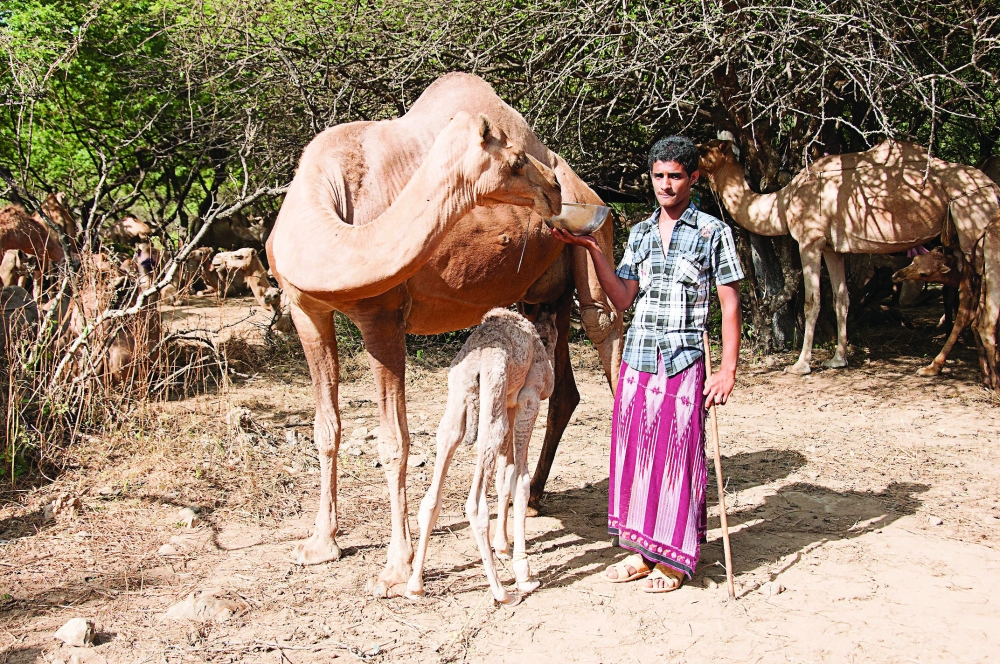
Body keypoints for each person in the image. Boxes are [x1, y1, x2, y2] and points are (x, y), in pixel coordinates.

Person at [551, 136, 744, 592]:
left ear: (693, 178)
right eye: (659, 176)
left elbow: (730, 304)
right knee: (636, 455)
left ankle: (674, 560)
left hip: (684, 359)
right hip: (637, 359)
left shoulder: (712, 232)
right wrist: (592, 250)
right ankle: (641, 552)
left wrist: (727, 369)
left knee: (677, 458)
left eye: (675, 176)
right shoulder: (638, 233)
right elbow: (621, 298)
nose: (666, 185)